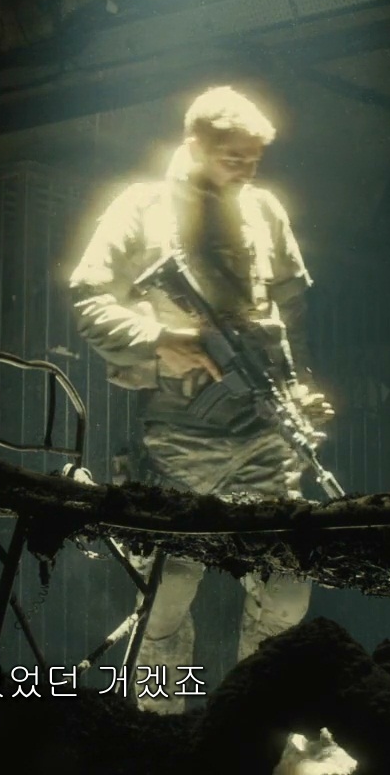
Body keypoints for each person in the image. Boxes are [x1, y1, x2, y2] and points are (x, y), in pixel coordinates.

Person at [66, 86, 335, 714]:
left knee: (287, 589)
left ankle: (259, 722)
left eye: (254, 157)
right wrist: (157, 339)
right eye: (231, 155)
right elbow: (89, 298)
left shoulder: (264, 212)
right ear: (194, 141)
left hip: (263, 430)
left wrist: (299, 388)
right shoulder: (142, 208)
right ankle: (159, 726)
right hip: (176, 433)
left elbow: (292, 313)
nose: (245, 168)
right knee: (167, 592)